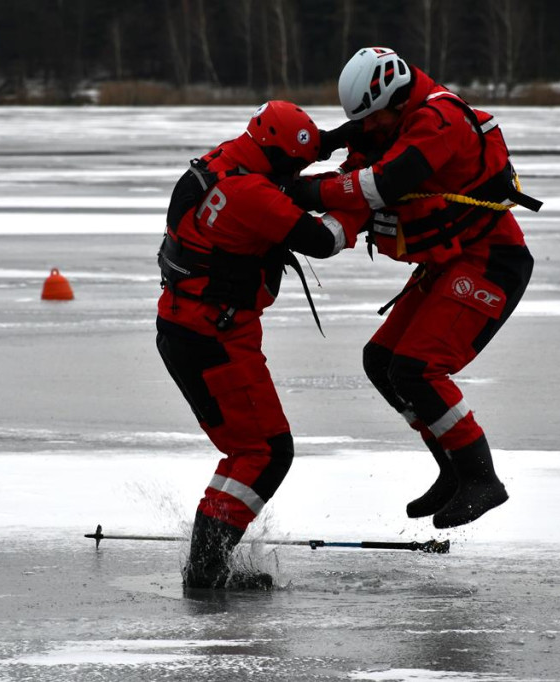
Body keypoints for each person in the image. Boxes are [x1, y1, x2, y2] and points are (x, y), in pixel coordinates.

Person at [286, 47, 540, 530]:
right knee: (381, 362)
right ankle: (452, 468)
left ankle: (482, 478)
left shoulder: (439, 121)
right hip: (449, 261)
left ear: (396, 97)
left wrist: (304, 192)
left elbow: (382, 183)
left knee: (418, 368)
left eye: (370, 118)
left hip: (492, 261)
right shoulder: (390, 124)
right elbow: (351, 179)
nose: (368, 128)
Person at [157, 101, 368, 589]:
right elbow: (323, 240)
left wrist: (340, 138)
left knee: (244, 452)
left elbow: (297, 154)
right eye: (295, 165)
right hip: (213, 340)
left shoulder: (232, 156)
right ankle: (206, 573)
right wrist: (360, 200)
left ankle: (209, 565)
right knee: (266, 454)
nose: (299, 171)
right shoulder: (252, 194)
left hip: (187, 329)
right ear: (279, 158)